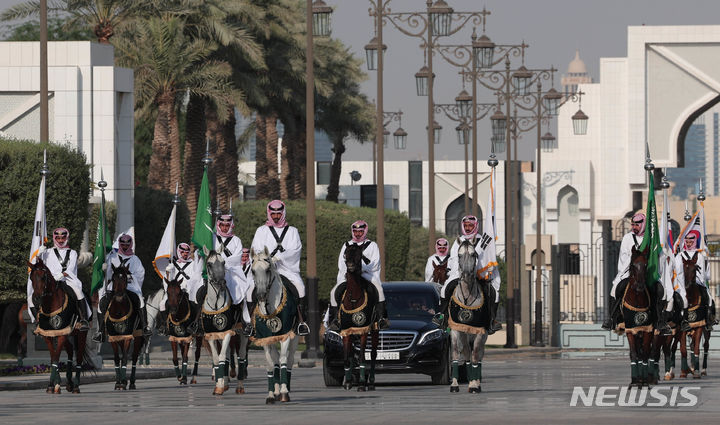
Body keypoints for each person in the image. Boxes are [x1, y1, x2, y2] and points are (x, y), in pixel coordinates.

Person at [602, 213, 672, 335]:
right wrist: (634, 263)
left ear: (643, 224)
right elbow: (623, 257)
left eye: (637, 224)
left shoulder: (651, 238)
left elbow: (658, 256)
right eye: (632, 224)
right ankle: (612, 319)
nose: (634, 227)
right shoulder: (628, 238)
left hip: (648, 272)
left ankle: (660, 321)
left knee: (661, 291)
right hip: (631, 272)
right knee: (615, 289)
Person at [250, 200, 308, 335]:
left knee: (301, 289)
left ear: (283, 213)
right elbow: (256, 248)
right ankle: (250, 323)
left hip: (286, 269)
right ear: (269, 213)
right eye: (273, 213)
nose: (276, 216)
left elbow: (295, 250)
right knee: (249, 291)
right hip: (266, 270)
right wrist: (267, 260)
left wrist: (280, 258)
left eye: (278, 213)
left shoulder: (293, 231)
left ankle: (301, 322)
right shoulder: (261, 230)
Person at [437, 215, 502, 334]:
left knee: (494, 293)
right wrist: (454, 270)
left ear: (476, 226)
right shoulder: (459, 241)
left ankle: (492, 321)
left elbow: (487, 257)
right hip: (460, 273)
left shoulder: (483, 240)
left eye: (470, 225)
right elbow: (453, 258)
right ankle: (442, 317)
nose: (467, 228)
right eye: (465, 226)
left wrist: (483, 269)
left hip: (478, 274)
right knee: (444, 289)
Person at [194, 212, 252, 335]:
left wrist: (222, 262)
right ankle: (197, 322)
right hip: (213, 273)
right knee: (200, 293)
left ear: (231, 225)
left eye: (227, 225)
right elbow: (207, 253)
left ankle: (243, 322)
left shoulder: (236, 240)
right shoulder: (211, 238)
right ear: (218, 225)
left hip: (231, 272)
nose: (225, 228)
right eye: (222, 225)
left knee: (240, 293)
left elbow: (237, 258)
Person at [328, 220, 389, 331]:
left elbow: (374, 263)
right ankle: (335, 320)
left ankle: (381, 319)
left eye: (360, 231)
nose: (357, 234)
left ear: (364, 231)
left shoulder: (372, 245)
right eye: (355, 231)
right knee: (333, 293)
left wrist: (360, 268)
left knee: (379, 290)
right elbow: (341, 263)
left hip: (367, 275)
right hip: (349, 275)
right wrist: (350, 270)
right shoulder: (347, 245)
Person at [27, 227, 91, 330]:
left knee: (78, 292)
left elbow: (71, 268)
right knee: (30, 298)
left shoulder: (73, 253)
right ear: (54, 238)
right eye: (58, 238)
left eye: (63, 238)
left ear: (67, 238)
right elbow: (37, 266)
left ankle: (84, 319)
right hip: (49, 281)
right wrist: (39, 254)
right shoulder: (47, 252)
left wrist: (62, 275)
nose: (60, 241)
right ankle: (38, 321)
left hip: (67, 279)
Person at [94, 233, 151, 342]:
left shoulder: (135, 259)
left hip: (130, 285)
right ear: (120, 244)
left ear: (130, 245)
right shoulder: (112, 257)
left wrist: (129, 276)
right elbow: (108, 275)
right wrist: (105, 269)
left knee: (140, 300)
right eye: (123, 244)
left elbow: (140, 274)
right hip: (115, 285)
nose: (125, 246)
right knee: (103, 301)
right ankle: (100, 331)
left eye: (127, 244)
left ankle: (144, 327)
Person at [157, 243, 203, 335]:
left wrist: (187, 285)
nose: (185, 254)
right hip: (174, 291)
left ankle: (196, 324)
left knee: (195, 303)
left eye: (186, 252)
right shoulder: (173, 264)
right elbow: (168, 281)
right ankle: (164, 325)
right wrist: (168, 272)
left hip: (188, 289)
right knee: (162, 304)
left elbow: (195, 276)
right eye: (182, 252)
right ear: (179, 252)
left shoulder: (192, 264)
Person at [675, 230, 716, 330]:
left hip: (696, 281)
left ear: (694, 241)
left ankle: (708, 320)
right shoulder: (680, 256)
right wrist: (682, 282)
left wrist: (695, 280)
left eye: (690, 241)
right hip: (681, 283)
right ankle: (673, 320)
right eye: (687, 240)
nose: (688, 243)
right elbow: (677, 271)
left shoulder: (700, 256)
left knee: (709, 299)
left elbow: (702, 273)